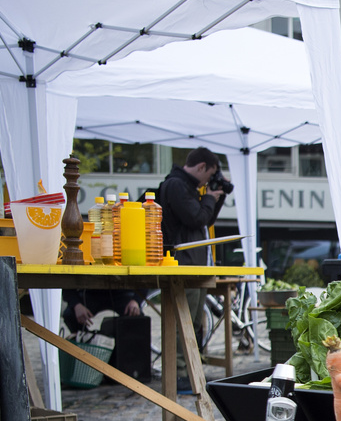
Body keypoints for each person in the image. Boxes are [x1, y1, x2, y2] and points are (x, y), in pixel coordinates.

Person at [157, 146, 227, 392]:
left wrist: (216, 198)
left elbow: (205, 220)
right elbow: (195, 218)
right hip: (182, 264)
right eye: (210, 174)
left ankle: (189, 370)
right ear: (201, 167)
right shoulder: (176, 185)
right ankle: (178, 373)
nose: (209, 180)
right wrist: (208, 197)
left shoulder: (188, 187)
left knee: (195, 320)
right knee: (182, 319)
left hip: (194, 264)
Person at [62, 289, 141, 334]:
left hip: (122, 292)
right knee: (70, 315)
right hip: (90, 291)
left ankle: (123, 357)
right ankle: (81, 348)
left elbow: (144, 279)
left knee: (137, 318)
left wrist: (136, 300)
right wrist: (76, 304)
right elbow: (65, 281)